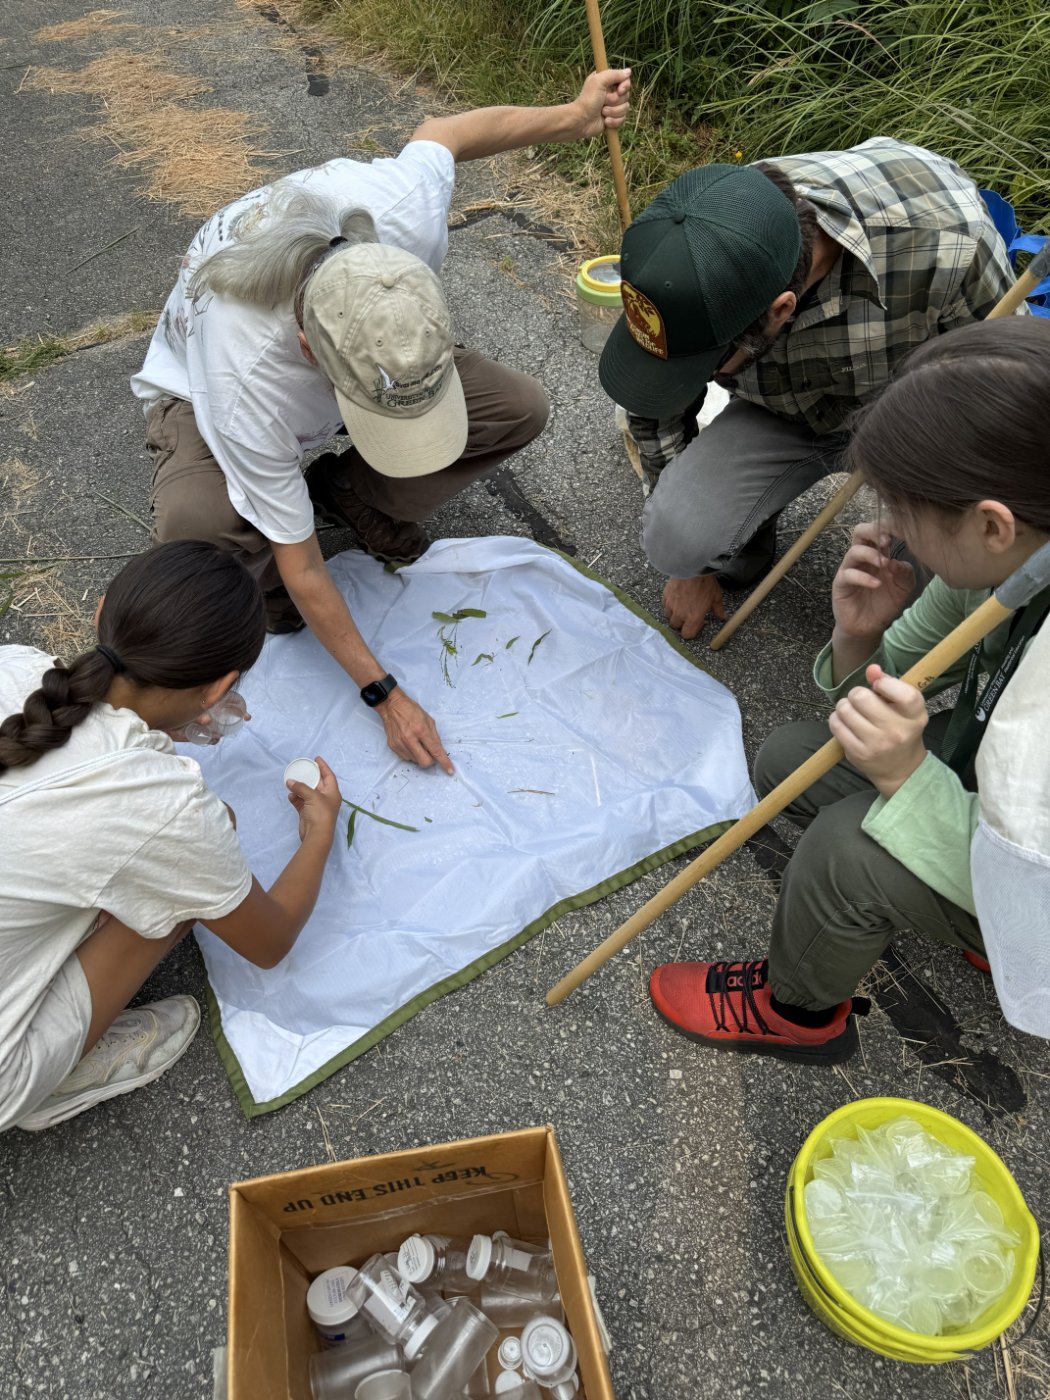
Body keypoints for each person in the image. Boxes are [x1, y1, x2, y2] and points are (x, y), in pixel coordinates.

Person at [131, 69, 631, 775]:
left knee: (518, 408)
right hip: (199, 391)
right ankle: (265, 588)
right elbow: (303, 562)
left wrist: (575, 115)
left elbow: (445, 135)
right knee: (201, 524)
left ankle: (351, 493)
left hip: (372, 339)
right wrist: (383, 692)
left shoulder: (398, 214)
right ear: (311, 351)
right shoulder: (245, 375)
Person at [647, 318, 1050, 1063]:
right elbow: (886, 683)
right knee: (794, 758)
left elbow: (1037, 863)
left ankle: (797, 1014)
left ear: (992, 524)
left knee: (843, 854)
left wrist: (907, 777)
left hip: (1041, 876)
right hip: (999, 793)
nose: (891, 528)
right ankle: (983, 931)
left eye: (909, 512)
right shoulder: (1020, 552)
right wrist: (859, 634)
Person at [598, 139, 1020, 640]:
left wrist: (931, 494)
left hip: (908, 424)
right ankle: (744, 540)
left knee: (933, 590)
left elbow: (1003, 397)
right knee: (675, 538)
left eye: (707, 366)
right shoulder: (698, 238)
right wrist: (693, 567)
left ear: (780, 311)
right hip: (782, 410)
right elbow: (654, 396)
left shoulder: (950, 243)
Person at [0, 542, 343, 1132]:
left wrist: (152, 726)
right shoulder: (169, 812)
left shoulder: (15, 665)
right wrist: (319, 834)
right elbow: (270, 941)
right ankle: (51, 1081)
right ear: (220, 689)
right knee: (184, 881)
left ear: (102, 608)